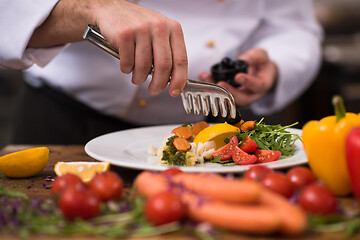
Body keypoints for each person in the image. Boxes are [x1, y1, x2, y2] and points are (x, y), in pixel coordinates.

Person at [0, 0, 322, 144]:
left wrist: (277, 64)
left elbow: (292, 25)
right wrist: (90, 8)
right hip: (65, 121)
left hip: (212, 134)